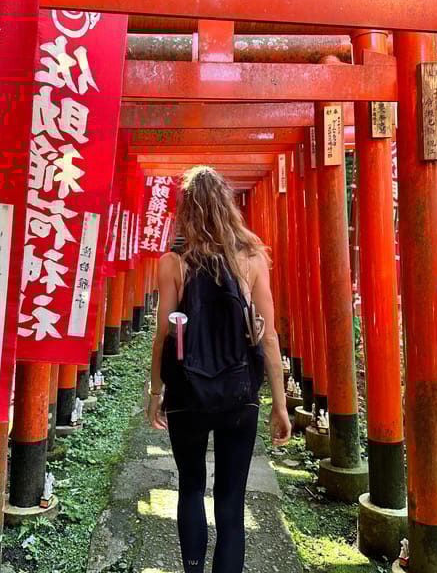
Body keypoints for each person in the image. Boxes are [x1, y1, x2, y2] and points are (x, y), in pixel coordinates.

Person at [147, 166, 292, 573]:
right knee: (231, 500)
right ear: (229, 207)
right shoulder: (252, 259)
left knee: (191, 487)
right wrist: (278, 405)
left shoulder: (174, 263)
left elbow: (163, 337)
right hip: (238, 395)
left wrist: (156, 392)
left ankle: (192, 567)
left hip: (188, 393)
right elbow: (268, 337)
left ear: (185, 212)